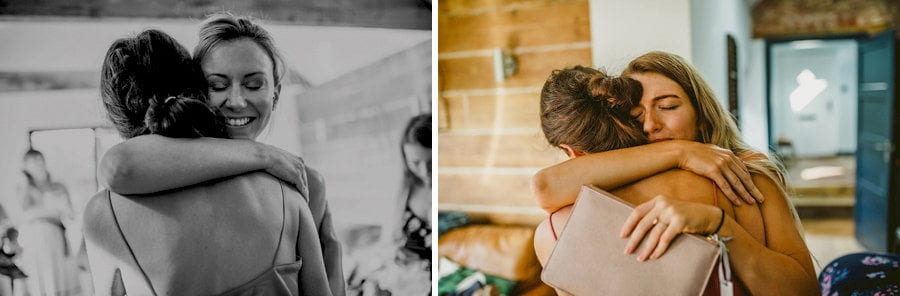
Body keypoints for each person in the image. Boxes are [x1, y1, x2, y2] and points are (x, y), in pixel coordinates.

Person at [83, 22, 341, 296]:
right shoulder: (286, 194)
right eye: (217, 85)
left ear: (276, 95)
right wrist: (264, 154)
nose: (237, 101)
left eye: (254, 84)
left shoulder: (300, 181)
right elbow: (118, 165)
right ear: (194, 93)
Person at [531, 56, 818, 295]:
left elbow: (804, 290)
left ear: (702, 113)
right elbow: (546, 185)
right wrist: (682, 150)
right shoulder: (599, 198)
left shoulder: (747, 174)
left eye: (668, 106)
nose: (650, 125)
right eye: (635, 115)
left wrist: (719, 224)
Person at [347, 114, 432, 295]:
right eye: (415, 163)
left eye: (431, 162)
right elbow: (389, 241)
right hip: (408, 281)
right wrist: (395, 253)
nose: (424, 171)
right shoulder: (404, 191)